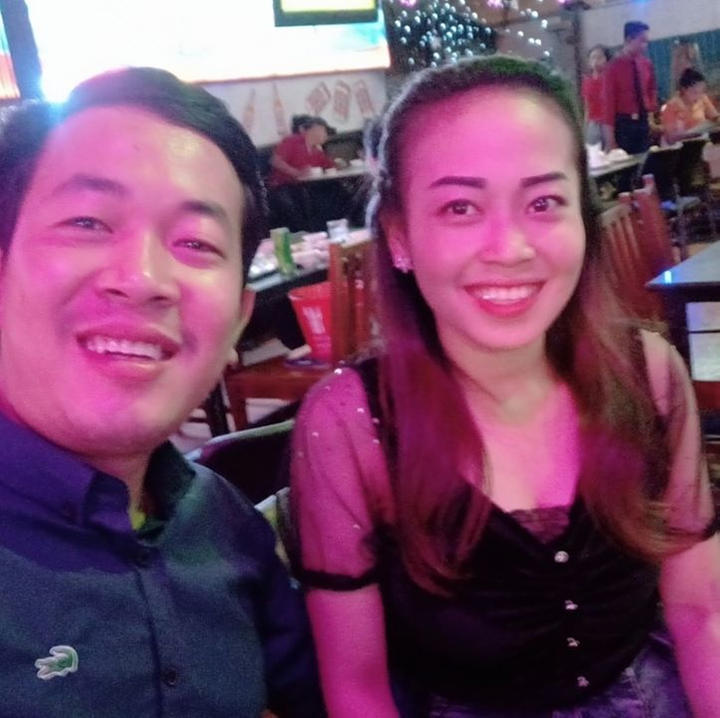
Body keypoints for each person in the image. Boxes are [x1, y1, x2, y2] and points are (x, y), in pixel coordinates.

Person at [291, 55, 720, 717]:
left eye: (544, 202)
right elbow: (358, 687)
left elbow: (701, 613)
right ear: (400, 237)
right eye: (460, 207)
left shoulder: (649, 375)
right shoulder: (350, 422)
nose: (510, 247)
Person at [0, 67, 323, 717]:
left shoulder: (221, 520)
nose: (144, 277)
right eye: (88, 221)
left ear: (237, 321)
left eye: (196, 242)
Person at [602, 21, 658, 153]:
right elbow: (608, 105)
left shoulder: (646, 64)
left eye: (646, 42)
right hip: (624, 124)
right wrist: (610, 139)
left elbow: (651, 92)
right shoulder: (613, 67)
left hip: (643, 122)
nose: (645, 46)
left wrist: (651, 119)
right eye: (642, 41)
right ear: (628, 39)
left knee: (646, 160)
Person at [661, 68, 719, 144]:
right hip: (680, 145)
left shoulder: (702, 98)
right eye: (695, 92)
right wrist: (693, 133)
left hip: (701, 141)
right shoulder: (672, 106)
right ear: (684, 89)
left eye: (701, 92)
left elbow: (715, 117)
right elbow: (671, 138)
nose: (698, 96)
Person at [581, 45, 611, 148]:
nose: (596, 61)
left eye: (599, 57)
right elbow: (587, 107)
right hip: (593, 123)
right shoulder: (586, 81)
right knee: (593, 151)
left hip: (609, 122)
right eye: (593, 57)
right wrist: (585, 127)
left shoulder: (611, 79)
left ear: (606, 60)